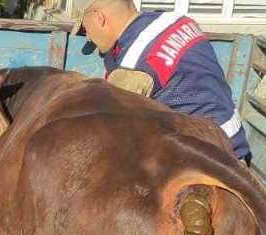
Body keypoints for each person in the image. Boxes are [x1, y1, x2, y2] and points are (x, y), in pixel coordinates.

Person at [73, 0, 252, 165]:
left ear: (99, 17)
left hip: (208, 159)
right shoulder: (175, 20)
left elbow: (109, 132)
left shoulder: (132, 67)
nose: (87, 37)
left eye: (84, 27)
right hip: (235, 141)